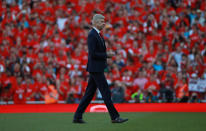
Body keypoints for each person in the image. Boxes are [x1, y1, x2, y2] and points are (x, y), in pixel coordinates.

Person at [73, 14, 128, 124]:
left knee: (89, 94)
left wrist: (106, 55)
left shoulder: (97, 34)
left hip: (96, 68)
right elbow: (93, 54)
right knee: (105, 92)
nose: (104, 23)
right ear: (96, 22)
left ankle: (77, 117)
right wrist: (107, 55)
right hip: (96, 69)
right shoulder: (93, 35)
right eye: (102, 21)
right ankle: (114, 117)